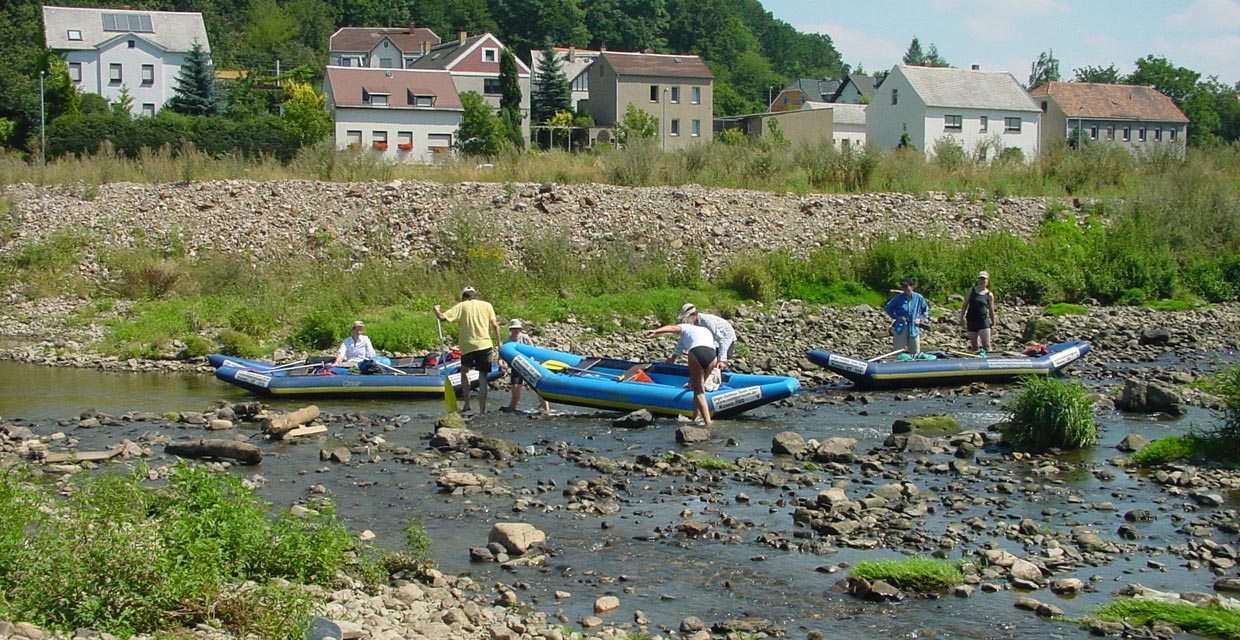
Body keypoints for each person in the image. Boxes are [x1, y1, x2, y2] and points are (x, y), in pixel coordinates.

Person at [433, 286, 502, 414]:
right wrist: (499, 343)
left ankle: (467, 404)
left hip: (468, 346)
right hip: (485, 344)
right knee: (483, 376)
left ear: (464, 296)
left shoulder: (462, 306)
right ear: (475, 295)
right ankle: (482, 409)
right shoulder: (487, 305)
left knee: (465, 372)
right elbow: (495, 325)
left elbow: (442, 318)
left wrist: (437, 310)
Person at [644, 322, 717, 427]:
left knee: (699, 392)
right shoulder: (704, 330)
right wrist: (673, 358)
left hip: (697, 352)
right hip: (712, 356)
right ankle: (695, 417)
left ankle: (708, 423)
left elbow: (672, 328)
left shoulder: (685, 327)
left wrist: (655, 331)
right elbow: (679, 347)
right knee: (699, 388)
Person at [503, 319, 551, 413]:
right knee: (516, 393)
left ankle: (547, 410)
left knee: (538, 390)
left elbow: (533, 352)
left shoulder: (525, 338)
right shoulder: (507, 342)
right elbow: (502, 356)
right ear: (510, 330)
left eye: (518, 329)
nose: (516, 331)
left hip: (529, 368)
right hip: (516, 368)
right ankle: (513, 409)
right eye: (514, 329)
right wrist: (501, 364)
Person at [673, 303, 737, 372]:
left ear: (695, 314)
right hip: (710, 339)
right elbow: (683, 338)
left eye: (687, 317)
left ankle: (723, 374)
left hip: (725, 336)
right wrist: (674, 357)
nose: (685, 320)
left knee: (717, 362)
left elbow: (722, 340)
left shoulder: (707, 322)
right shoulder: (690, 324)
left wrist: (722, 360)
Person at [884, 278, 930, 356]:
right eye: (903, 286)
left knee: (915, 351)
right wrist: (897, 317)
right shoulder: (898, 298)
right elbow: (888, 308)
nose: (904, 288)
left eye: (906, 286)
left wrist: (920, 319)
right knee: (897, 352)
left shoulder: (919, 298)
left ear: (912, 287)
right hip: (901, 327)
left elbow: (925, 310)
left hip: (914, 327)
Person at [960, 271, 996, 355]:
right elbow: (965, 304)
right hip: (971, 320)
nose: (982, 281)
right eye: (981, 279)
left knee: (986, 345)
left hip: (983, 321)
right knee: (974, 346)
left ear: (987, 281)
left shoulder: (989, 294)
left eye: (984, 279)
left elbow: (991, 309)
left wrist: (993, 322)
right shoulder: (971, 290)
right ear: (978, 280)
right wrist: (962, 317)